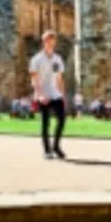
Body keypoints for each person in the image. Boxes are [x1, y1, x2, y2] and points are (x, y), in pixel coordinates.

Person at [29, 29, 67, 160]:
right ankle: (47, 150)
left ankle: (56, 146)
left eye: (53, 41)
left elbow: (59, 78)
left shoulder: (57, 59)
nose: (51, 43)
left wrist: (62, 95)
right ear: (44, 42)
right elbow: (34, 79)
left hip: (55, 93)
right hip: (43, 93)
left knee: (62, 120)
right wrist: (39, 95)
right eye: (48, 41)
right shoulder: (37, 59)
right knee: (45, 123)